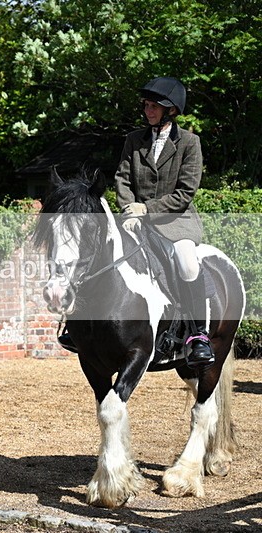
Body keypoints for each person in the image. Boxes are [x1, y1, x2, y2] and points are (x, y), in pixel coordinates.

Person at [115, 76, 214, 367]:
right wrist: (128, 209)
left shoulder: (189, 143)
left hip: (176, 221)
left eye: (154, 106)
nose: (148, 110)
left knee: (186, 262)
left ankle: (198, 335)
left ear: (170, 109)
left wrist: (146, 209)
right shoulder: (134, 140)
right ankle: (86, 327)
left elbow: (185, 192)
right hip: (135, 219)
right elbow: (122, 178)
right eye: (146, 105)